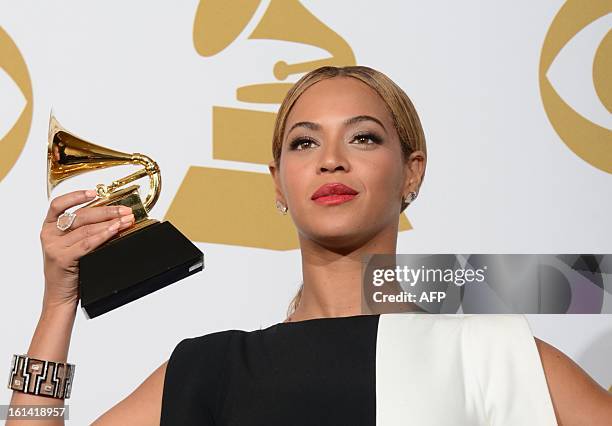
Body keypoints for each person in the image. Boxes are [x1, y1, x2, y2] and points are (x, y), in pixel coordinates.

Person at [7, 66, 611, 425]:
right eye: (302, 144)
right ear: (278, 184)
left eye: (365, 137)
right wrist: (59, 303)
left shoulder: (492, 356)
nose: (330, 160)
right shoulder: (210, 370)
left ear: (412, 173)